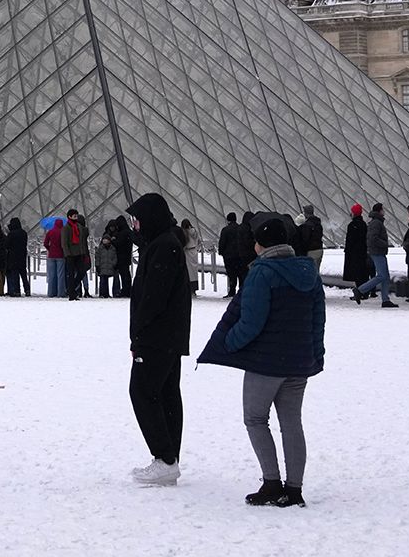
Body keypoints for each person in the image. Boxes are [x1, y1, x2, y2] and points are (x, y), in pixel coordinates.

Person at [197, 212, 324, 509]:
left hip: (267, 362)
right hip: (298, 361)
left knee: (255, 419)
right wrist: (315, 352)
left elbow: (250, 323)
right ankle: (294, 490)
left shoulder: (262, 273)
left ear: (261, 244)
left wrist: (228, 342)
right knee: (292, 423)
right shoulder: (308, 272)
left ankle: (271, 482)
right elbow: (318, 319)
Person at [126, 192, 193, 487]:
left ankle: (164, 458)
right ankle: (169, 459)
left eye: (138, 220)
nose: (136, 225)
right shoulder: (165, 243)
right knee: (166, 394)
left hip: (157, 336)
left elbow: (153, 297)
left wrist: (138, 334)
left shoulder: (164, 247)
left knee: (142, 391)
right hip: (169, 335)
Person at [352, 203, 398, 307]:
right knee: (382, 275)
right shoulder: (377, 223)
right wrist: (384, 244)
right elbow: (373, 238)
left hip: (378, 251)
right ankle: (360, 290)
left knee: (385, 276)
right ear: (380, 211)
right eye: (383, 209)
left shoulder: (375, 222)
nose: (384, 211)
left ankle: (385, 300)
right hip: (377, 252)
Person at [217, 213, 252, 297]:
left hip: (229, 256)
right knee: (240, 274)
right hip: (239, 255)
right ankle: (241, 290)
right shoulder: (240, 228)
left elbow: (222, 242)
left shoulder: (225, 230)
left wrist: (221, 252)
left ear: (228, 220)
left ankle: (232, 291)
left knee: (231, 274)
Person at [59, 209, 90, 300]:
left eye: (76, 216)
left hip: (79, 254)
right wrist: (67, 254)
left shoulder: (79, 227)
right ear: (69, 217)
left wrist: (83, 252)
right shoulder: (66, 228)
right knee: (71, 275)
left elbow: (82, 239)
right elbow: (64, 242)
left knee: (82, 272)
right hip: (70, 255)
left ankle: (70, 289)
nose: (76, 217)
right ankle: (72, 294)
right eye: (74, 216)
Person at [340, 205, 371, 292]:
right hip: (362, 251)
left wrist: (348, 250)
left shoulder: (352, 225)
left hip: (354, 253)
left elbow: (350, 240)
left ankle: (360, 291)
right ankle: (364, 291)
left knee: (357, 273)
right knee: (362, 272)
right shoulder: (364, 224)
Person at [0, 218, 29, 297]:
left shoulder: (11, 234)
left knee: (15, 275)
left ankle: (17, 291)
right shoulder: (24, 233)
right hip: (22, 256)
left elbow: (6, 245)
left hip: (13, 256)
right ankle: (27, 289)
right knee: (24, 275)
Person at [293, 206, 324, 271]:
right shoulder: (318, 224)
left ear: (306, 213)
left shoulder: (307, 225)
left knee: (310, 272)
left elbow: (305, 240)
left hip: (311, 251)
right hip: (319, 249)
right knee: (316, 271)